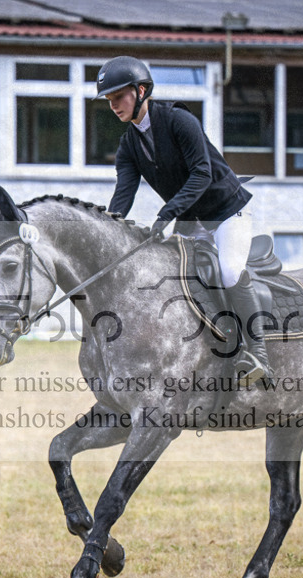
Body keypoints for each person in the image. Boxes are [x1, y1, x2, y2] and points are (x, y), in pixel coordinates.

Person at [97, 55, 272, 384]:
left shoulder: (178, 119)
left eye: (118, 96)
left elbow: (202, 174)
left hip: (226, 211)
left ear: (142, 90)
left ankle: (258, 352)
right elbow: (123, 194)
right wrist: (109, 228)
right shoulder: (128, 145)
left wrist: (166, 213)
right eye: (109, 100)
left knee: (230, 272)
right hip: (191, 219)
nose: (114, 105)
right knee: (176, 279)